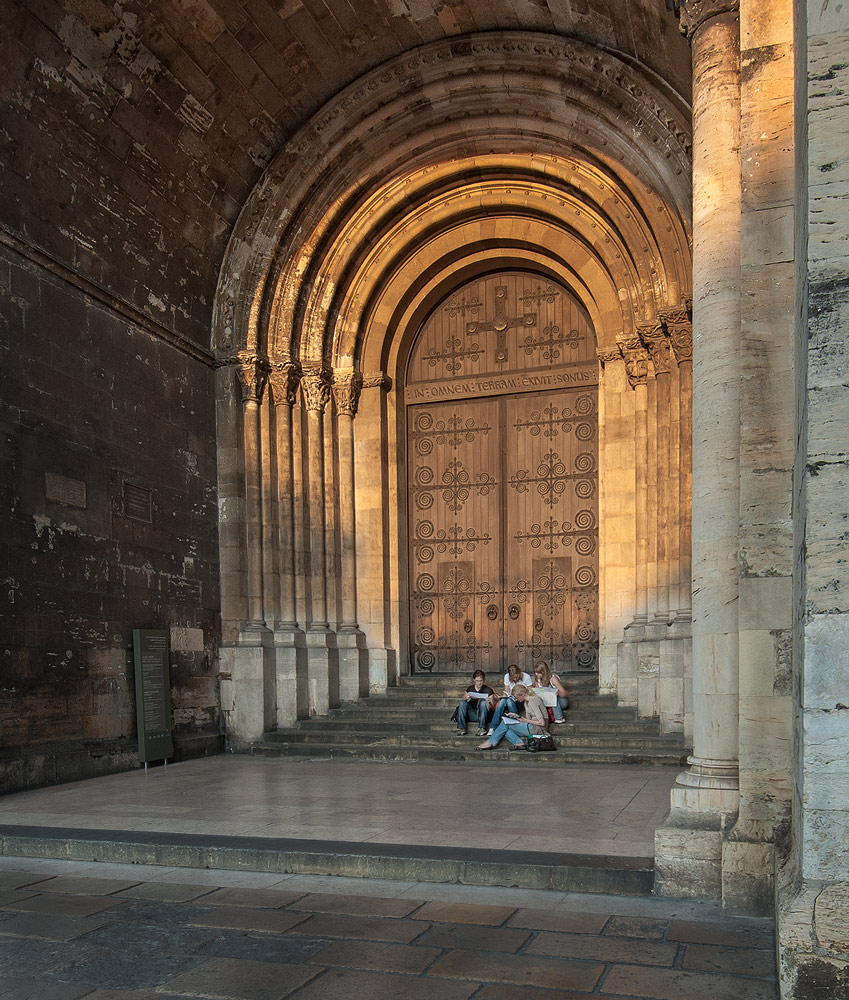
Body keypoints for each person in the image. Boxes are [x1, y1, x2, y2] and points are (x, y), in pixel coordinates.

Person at [476, 684, 548, 750]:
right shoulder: (526, 703)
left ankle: (490, 742)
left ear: (522, 695)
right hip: (532, 727)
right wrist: (517, 716)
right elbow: (528, 720)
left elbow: (542, 722)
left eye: (516, 697)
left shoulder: (533, 701)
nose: (516, 700)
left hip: (539, 729)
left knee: (505, 723)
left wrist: (526, 721)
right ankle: (519, 743)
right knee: (505, 729)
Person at [487, 663, 533, 734]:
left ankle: (513, 724)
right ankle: (492, 728)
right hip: (512, 702)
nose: (515, 679)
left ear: (519, 673)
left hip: (522, 702)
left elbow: (530, 693)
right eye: (513, 678)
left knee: (508, 701)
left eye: (516, 677)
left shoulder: (526, 677)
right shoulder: (506, 677)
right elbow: (506, 692)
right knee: (504, 701)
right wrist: (503, 696)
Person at [454, 669, 495, 736]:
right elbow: (463, 702)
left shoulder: (488, 690)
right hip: (473, 714)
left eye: (481, 681)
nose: (479, 683)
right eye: (477, 681)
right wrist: (465, 698)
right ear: (474, 680)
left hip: (484, 716)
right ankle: (462, 728)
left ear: (484, 680)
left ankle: (482, 728)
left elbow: (493, 709)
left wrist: (489, 703)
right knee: (462, 702)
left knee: (483, 702)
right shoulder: (470, 689)